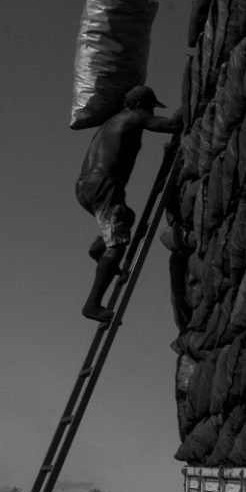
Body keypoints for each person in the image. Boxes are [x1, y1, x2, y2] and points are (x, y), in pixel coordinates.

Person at [76, 85, 184, 322]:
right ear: (139, 105)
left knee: (126, 217)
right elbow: (173, 126)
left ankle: (99, 248)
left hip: (85, 186)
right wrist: (190, 104)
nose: (150, 112)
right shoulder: (135, 115)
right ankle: (92, 304)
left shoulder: (111, 121)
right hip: (105, 184)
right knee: (119, 243)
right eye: (149, 107)